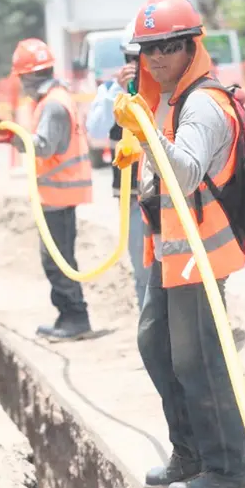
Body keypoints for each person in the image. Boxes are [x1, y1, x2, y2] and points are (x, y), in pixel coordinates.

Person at [112, 0, 245, 488]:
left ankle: (226, 468)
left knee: (199, 360)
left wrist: (145, 136)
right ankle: (190, 453)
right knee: (156, 344)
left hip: (201, 252)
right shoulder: (168, 100)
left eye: (168, 46)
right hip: (172, 250)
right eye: (148, 48)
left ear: (192, 46)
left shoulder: (203, 104)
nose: (156, 57)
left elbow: (188, 169)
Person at [0, 39, 94, 342]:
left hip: (59, 195)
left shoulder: (52, 104)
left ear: (29, 76)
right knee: (59, 258)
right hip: (57, 194)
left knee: (57, 260)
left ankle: (75, 318)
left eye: (21, 77)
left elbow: (44, 146)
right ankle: (69, 316)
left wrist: (11, 134)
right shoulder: (55, 98)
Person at [85, 19, 150, 309]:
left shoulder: (167, 91)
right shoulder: (111, 92)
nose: (136, 66)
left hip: (168, 195)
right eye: (130, 59)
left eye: (141, 59)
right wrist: (120, 94)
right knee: (142, 266)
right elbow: (97, 130)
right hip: (134, 196)